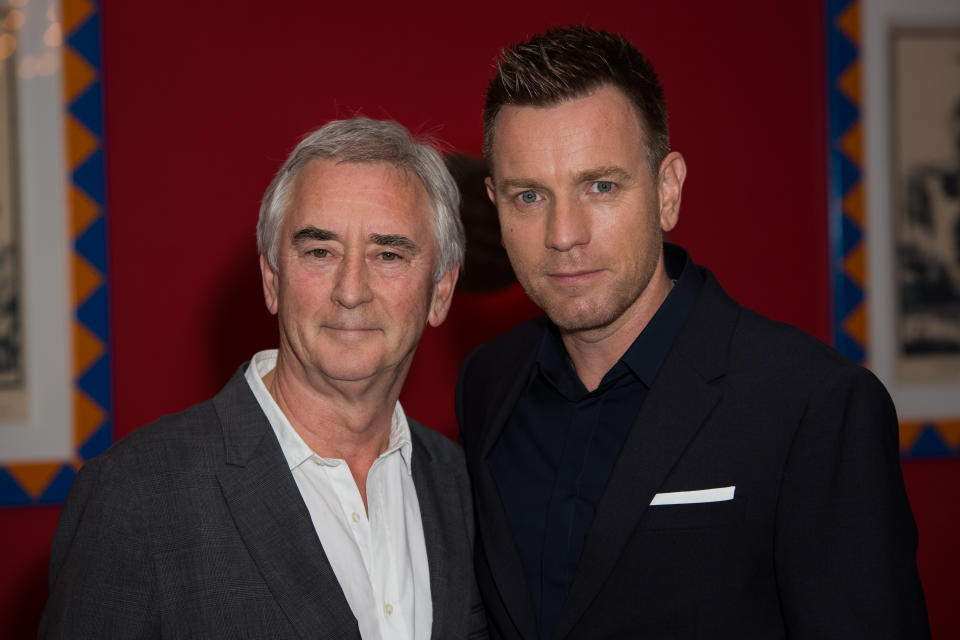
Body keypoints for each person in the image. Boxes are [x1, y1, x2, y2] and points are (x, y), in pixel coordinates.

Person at [456, 26, 930, 639]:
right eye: (528, 196)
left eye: (600, 186)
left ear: (666, 191)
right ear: (495, 203)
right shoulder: (488, 386)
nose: (563, 233)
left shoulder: (813, 404)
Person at [41, 117, 487, 639]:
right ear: (272, 280)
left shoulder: (466, 485)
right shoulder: (135, 495)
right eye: (320, 252)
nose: (350, 290)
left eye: (388, 255)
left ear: (440, 292)